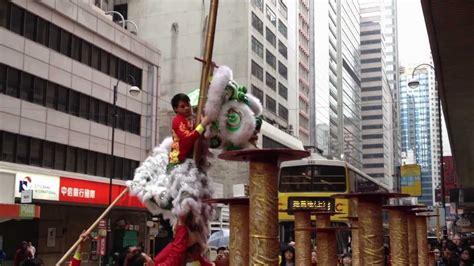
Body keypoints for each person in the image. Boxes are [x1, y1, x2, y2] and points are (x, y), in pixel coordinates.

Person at [168, 93, 210, 170]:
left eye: (188, 105)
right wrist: (203, 124)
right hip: (177, 164)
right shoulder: (177, 120)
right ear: (175, 109)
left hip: (189, 162)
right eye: (182, 106)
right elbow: (188, 139)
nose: (187, 108)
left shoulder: (192, 120)